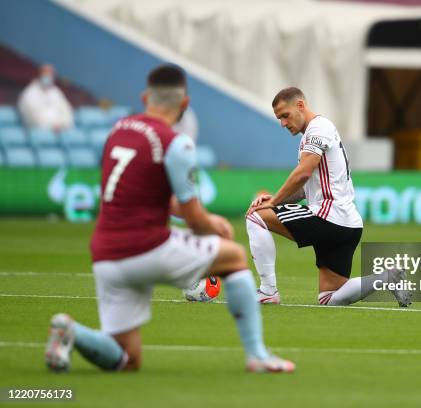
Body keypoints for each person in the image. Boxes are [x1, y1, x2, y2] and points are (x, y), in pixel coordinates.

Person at [44, 64, 294, 373]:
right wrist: (215, 225)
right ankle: (257, 354)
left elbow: (139, 193)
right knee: (234, 257)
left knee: (127, 359)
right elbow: (194, 220)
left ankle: (70, 330)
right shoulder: (176, 143)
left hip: (106, 254)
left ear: (144, 97)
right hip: (146, 246)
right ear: (184, 104)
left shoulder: (119, 130)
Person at [246, 87, 410, 307]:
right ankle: (386, 279)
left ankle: (267, 291)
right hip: (347, 224)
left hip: (329, 217)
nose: (283, 123)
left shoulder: (318, 129)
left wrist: (273, 203)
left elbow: (303, 173)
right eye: (279, 119)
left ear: (300, 106)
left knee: (255, 217)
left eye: (285, 116)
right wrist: (275, 199)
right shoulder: (317, 132)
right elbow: (305, 189)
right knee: (329, 298)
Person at [17, 64, 74, 131]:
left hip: (59, 130)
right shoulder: (29, 92)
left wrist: (63, 124)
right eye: (45, 74)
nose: (48, 76)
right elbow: (31, 115)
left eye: (50, 74)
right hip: (39, 131)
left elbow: (66, 110)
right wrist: (50, 126)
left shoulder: (56, 92)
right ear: (39, 75)